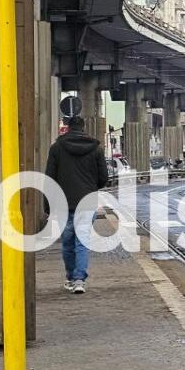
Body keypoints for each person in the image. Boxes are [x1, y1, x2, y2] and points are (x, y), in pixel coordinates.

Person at [44, 116, 108, 294]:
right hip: (87, 201)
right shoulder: (96, 149)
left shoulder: (57, 148)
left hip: (63, 203)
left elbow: (49, 178)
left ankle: (71, 277)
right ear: (84, 127)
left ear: (68, 127)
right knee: (82, 241)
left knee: (67, 243)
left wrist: (47, 206)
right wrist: (91, 187)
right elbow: (104, 178)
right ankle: (80, 279)